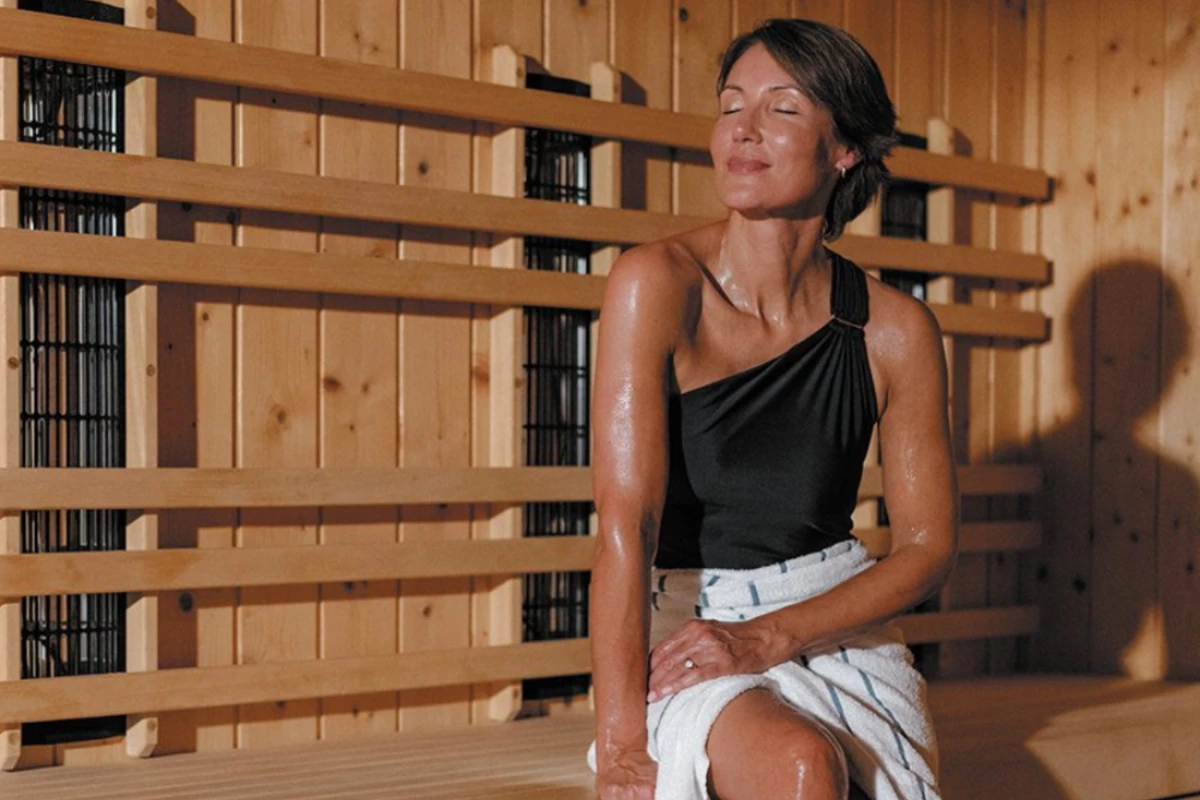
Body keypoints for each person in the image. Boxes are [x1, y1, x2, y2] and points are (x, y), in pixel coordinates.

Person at [586, 17, 958, 800]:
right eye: (731, 106)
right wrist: (621, 746)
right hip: (689, 624)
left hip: (830, 623)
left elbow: (927, 546)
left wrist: (770, 637)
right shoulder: (657, 286)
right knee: (800, 765)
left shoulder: (892, 330)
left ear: (845, 148)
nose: (743, 132)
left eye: (782, 109)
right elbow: (626, 525)